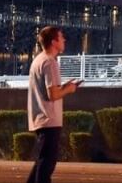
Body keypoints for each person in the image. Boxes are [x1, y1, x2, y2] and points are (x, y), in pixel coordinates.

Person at [26, 26, 80, 183]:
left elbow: (49, 91)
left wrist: (63, 87)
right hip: (49, 119)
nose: (64, 40)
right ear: (54, 41)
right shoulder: (50, 63)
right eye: (61, 37)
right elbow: (53, 95)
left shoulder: (38, 60)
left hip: (40, 118)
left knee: (41, 163)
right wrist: (69, 89)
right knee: (46, 165)